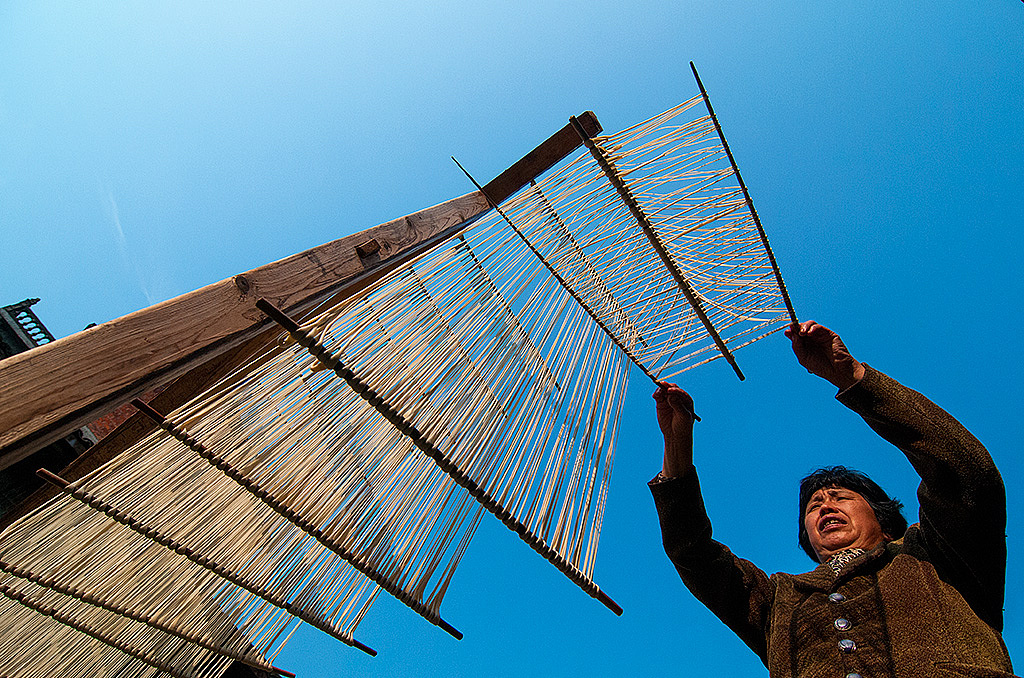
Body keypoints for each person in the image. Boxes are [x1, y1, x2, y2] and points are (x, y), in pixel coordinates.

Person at [649, 320, 1013, 677]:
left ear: (885, 523)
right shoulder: (779, 600)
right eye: (813, 505)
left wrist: (851, 376)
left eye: (840, 497)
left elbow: (966, 473)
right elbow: (693, 552)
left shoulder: (935, 555)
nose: (825, 506)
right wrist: (677, 445)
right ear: (806, 537)